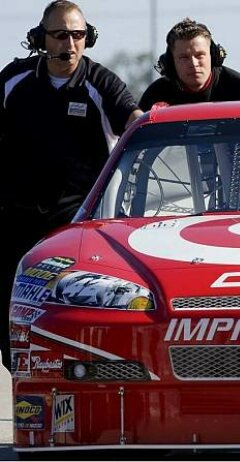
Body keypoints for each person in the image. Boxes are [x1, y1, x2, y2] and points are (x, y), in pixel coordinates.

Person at [0, 0, 142, 372]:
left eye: (78, 35)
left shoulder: (101, 81)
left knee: (66, 312)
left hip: (74, 221)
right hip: (15, 216)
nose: (70, 43)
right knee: (10, 327)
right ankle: (24, 381)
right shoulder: (14, 79)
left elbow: (135, 120)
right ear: (40, 39)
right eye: (61, 35)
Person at [139, 18, 240, 110]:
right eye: (184, 57)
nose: (193, 63)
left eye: (200, 55)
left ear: (214, 56)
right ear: (170, 62)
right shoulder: (156, 96)